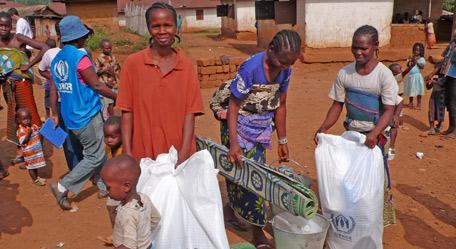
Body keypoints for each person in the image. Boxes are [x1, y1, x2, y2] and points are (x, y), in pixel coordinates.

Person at [210, 29, 301, 248]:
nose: (284, 67)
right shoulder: (251, 68)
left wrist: (282, 140)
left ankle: (231, 208)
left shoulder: (285, 70)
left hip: (259, 125)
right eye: (281, 61)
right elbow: (233, 105)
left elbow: (281, 105)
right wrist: (233, 144)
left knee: (243, 173)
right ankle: (257, 230)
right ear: (270, 48)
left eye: (289, 64)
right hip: (236, 123)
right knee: (252, 175)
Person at [315, 25, 398, 227]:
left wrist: (375, 133)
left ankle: (373, 221)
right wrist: (323, 128)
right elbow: (337, 105)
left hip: (375, 138)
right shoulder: (345, 74)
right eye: (354, 47)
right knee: (348, 176)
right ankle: (353, 217)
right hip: (352, 135)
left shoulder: (383, 75)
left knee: (375, 181)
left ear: (375, 47)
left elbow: (389, 110)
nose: (358, 52)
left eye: (364, 48)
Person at [117, 3, 204, 164]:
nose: (162, 31)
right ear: (149, 28)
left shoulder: (185, 66)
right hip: (143, 154)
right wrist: (128, 152)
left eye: (167, 25)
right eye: (156, 26)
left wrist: (183, 155)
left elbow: (190, 114)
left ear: (176, 27)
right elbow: (127, 112)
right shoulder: (133, 64)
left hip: (178, 153)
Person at [48, 16, 117, 210]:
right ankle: (63, 186)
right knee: (94, 156)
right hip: (86, 113)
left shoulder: (57, 59)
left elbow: (53, 90)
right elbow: (96, 85)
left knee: (94, 151)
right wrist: (117, 96)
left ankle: (104, 186)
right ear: (78, 38)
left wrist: (54, 113)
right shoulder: (80, 57)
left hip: (69, 115)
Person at [0, 12, 48, 163]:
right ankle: (25, 151)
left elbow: (44, 47)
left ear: (11, 27)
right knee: (18, 116)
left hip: (22, 84)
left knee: (32, 116)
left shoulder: (18, 38)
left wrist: (29, 64)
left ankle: (41, 147)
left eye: (6, 26)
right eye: (0, 26)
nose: (3, 29)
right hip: (7, 86)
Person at [38, 21, 84, 171]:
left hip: (78, 101)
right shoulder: (50, 54)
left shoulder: (80, 52)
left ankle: (86, 168)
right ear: (59, 36)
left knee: (82, 137)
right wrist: (52, 78)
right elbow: (41, 69)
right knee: (68, 141)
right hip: (60, 102)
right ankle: (75, 170)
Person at [100, 155, 161, 249]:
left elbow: (129, 246)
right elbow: (156, 218)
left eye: (108, 187)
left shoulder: (127, 213)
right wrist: (142, 235)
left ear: (126, 186)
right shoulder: (144, 198)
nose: (106, 191)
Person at [425, 29, 456, 138]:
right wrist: (433, 72)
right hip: (448, 74)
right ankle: (451, 128)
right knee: (448, 102)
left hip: (454, 76)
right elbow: (445, 60)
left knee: (453, 103)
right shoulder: (452, 43)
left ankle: (454, 130)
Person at [101, 116, 123, 246]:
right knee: (111, 207)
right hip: (114, 186)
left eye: (112, 137)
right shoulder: (108, 148)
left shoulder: (126, 150)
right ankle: (117, 233)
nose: (108, 140)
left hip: (125, 187)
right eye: (106, 136)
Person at [16, 108, 47, 186]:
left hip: (35, 151)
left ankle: (37, 177)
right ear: (19, 120)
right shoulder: (21, 131)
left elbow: (38, 131)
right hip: (29, 154)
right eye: (24, 119)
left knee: (35, 166)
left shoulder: (33, 126)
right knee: (31, 167)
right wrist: (29, 134)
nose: (27, 120)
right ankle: (35, 180)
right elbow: (23, 142)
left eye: (28, 118)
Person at [95, 39, 120, 118]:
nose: (109, 49)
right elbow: (96, 72)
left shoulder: (113, 57)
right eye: (106, 48)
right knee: (109, 103)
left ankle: (113, 118)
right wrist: (105, 70)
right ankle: (111, 119)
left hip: (114, 83)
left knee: (116, 101)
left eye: (110, 48)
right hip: (105, 84)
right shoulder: (99, 58)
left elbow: (118, 69)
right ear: (102, 48)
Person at [426, 63, 446, 135]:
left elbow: (443, 84)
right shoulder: (434, 78)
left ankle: (439, 126)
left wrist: (434, 81)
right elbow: (429, 87)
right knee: (431, 110)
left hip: (441, 96)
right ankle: (431, 127)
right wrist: (428, 82)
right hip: (433, 96)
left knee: (440, 111)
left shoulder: (445, 78)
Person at [404, 43, 426, 109]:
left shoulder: (421, 59)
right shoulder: (411, 57)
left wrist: (416, 62)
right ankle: (411, 103)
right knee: (411, 90)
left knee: (419, 90)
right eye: (415, 50)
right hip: (411, 77)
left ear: (421, 51)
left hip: (417, 77)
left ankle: (419, 104)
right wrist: (410, 61)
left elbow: (422, 67)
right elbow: (408, 65)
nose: (416, 52)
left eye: (418, 50)